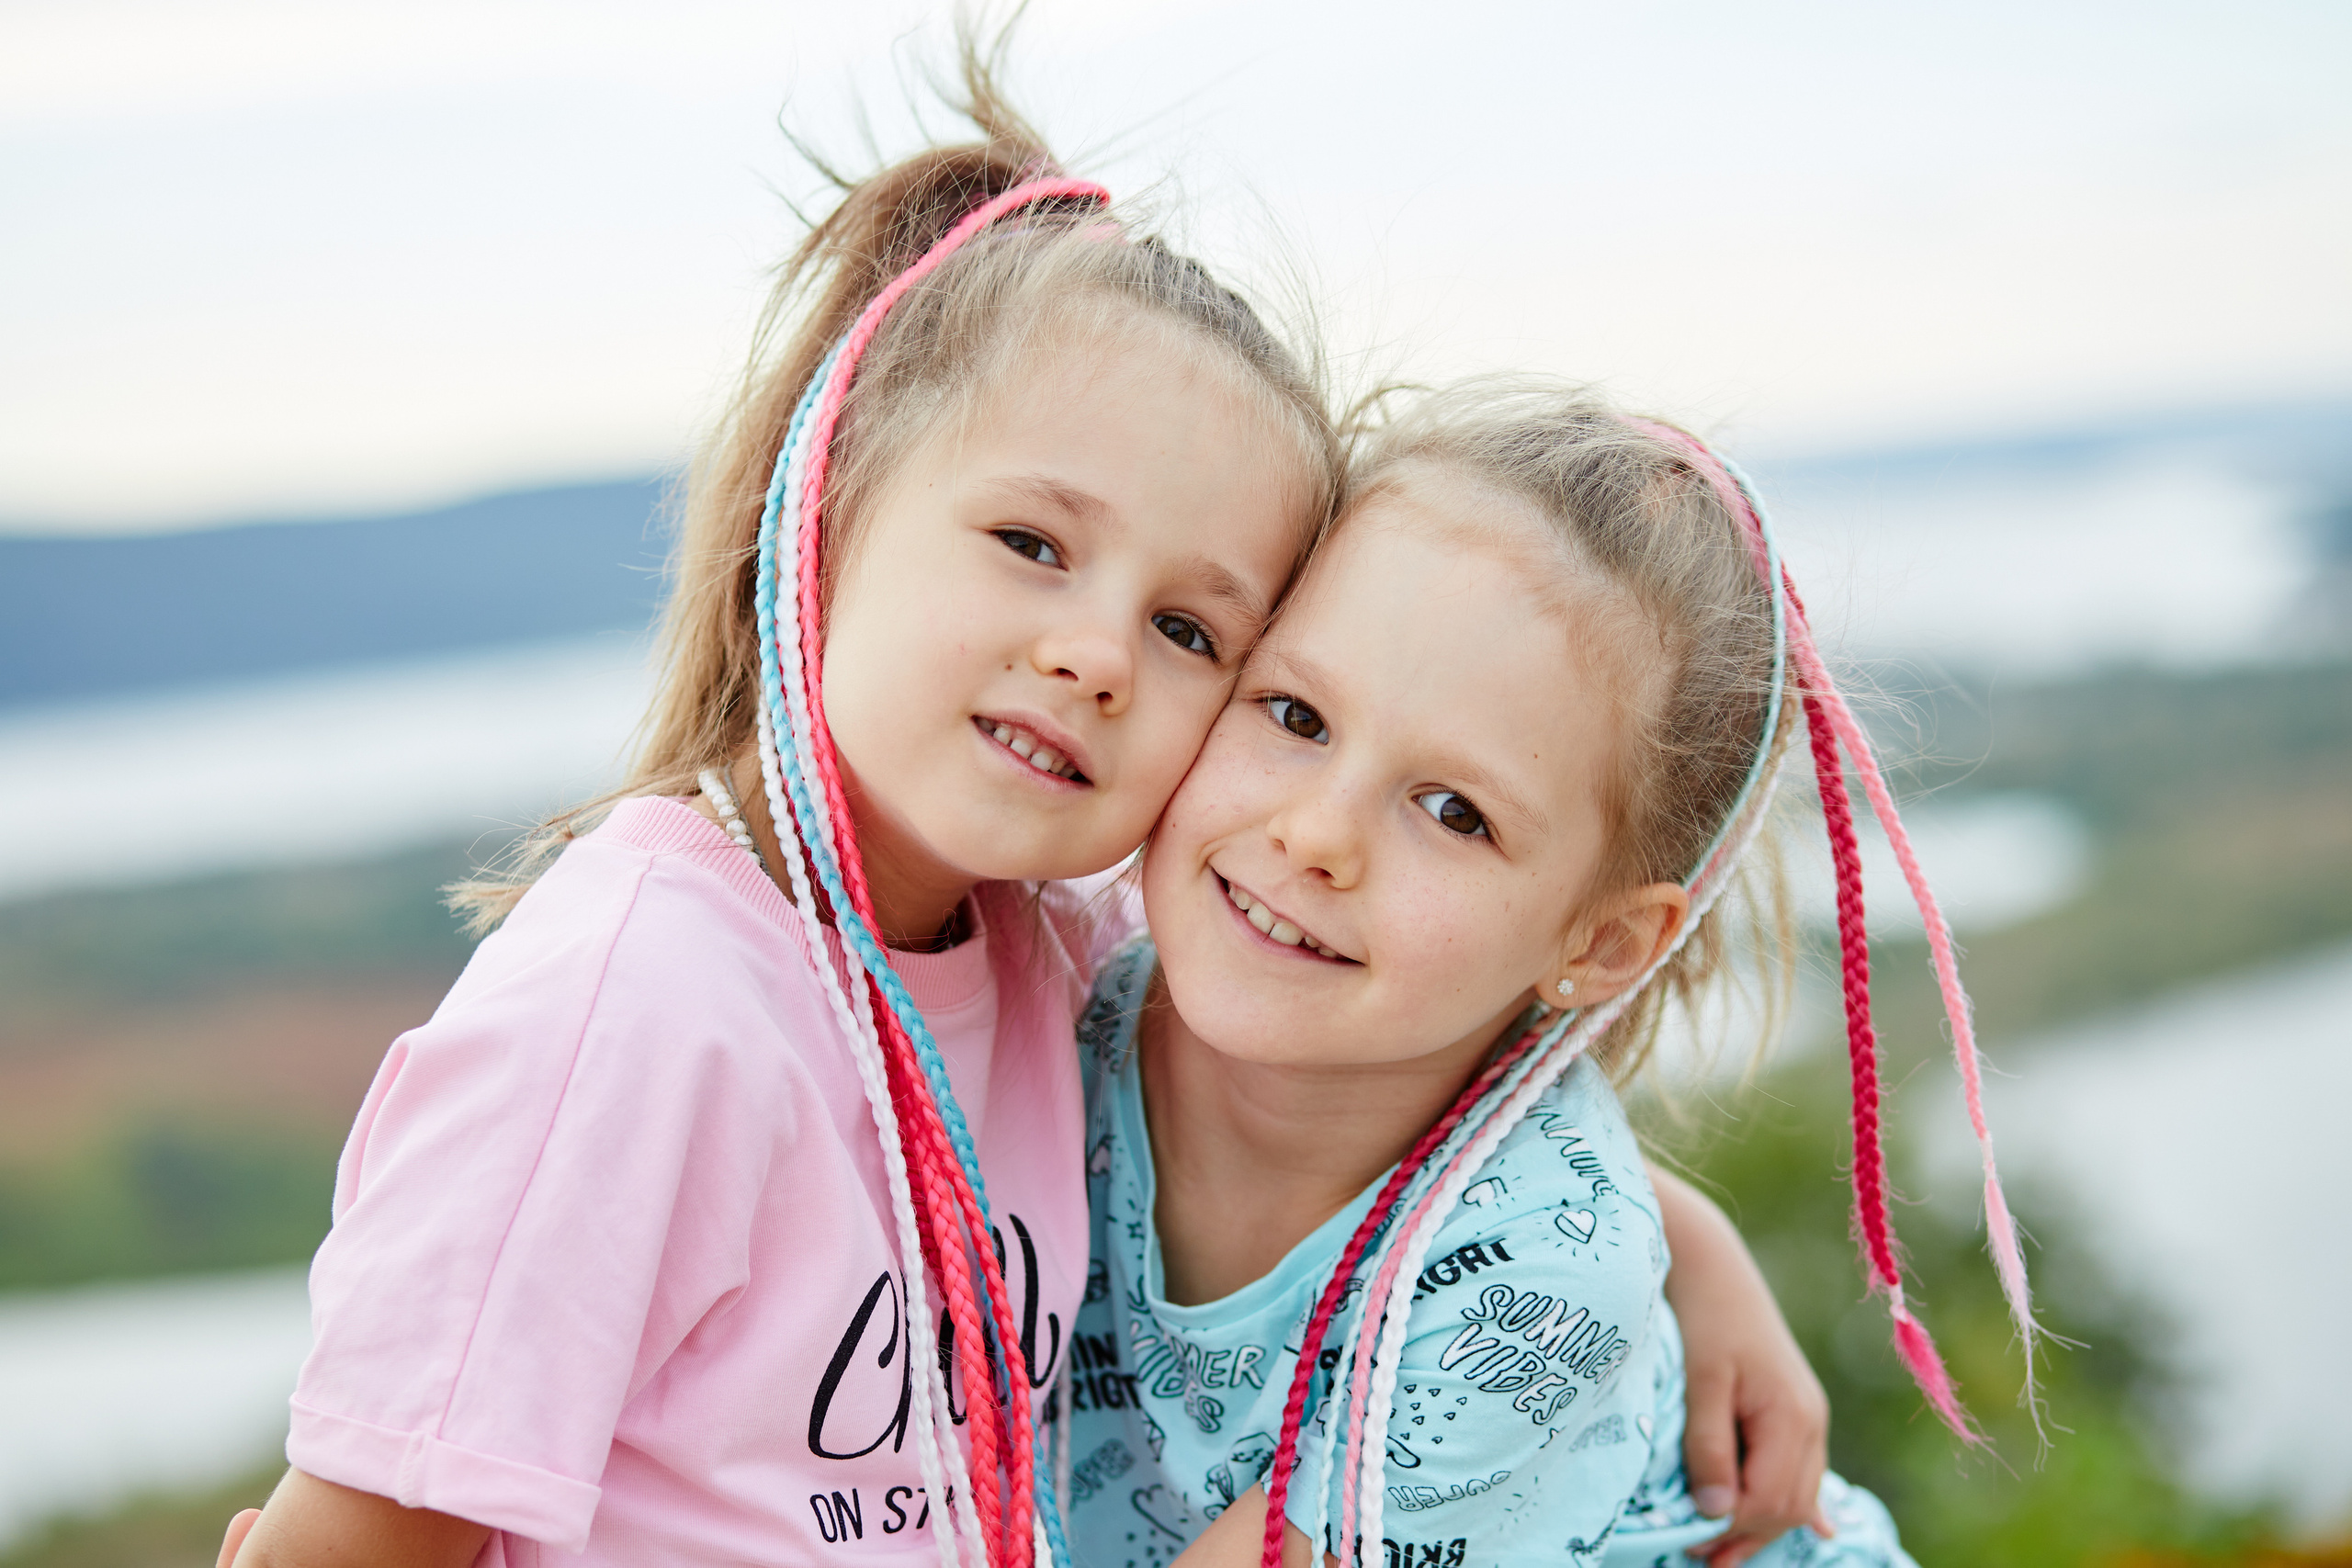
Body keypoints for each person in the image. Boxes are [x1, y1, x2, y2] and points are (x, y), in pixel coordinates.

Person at [209, 68, 1840, 1568]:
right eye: (1034, 543)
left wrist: (1666, 1257)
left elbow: (1459, 1182)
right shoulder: (642, 1007)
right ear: (830, 496)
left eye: (1195, 633)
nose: (1093, 654)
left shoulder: (1040, 960)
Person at [1057, 384, 2041, 1568]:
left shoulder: (1550, 1276)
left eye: (1455, 812)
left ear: (1601, 945)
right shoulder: (1061, 974)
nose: (1317, 834)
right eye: (1295, 713)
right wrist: (1696, 1240)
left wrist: (1650, 1250)